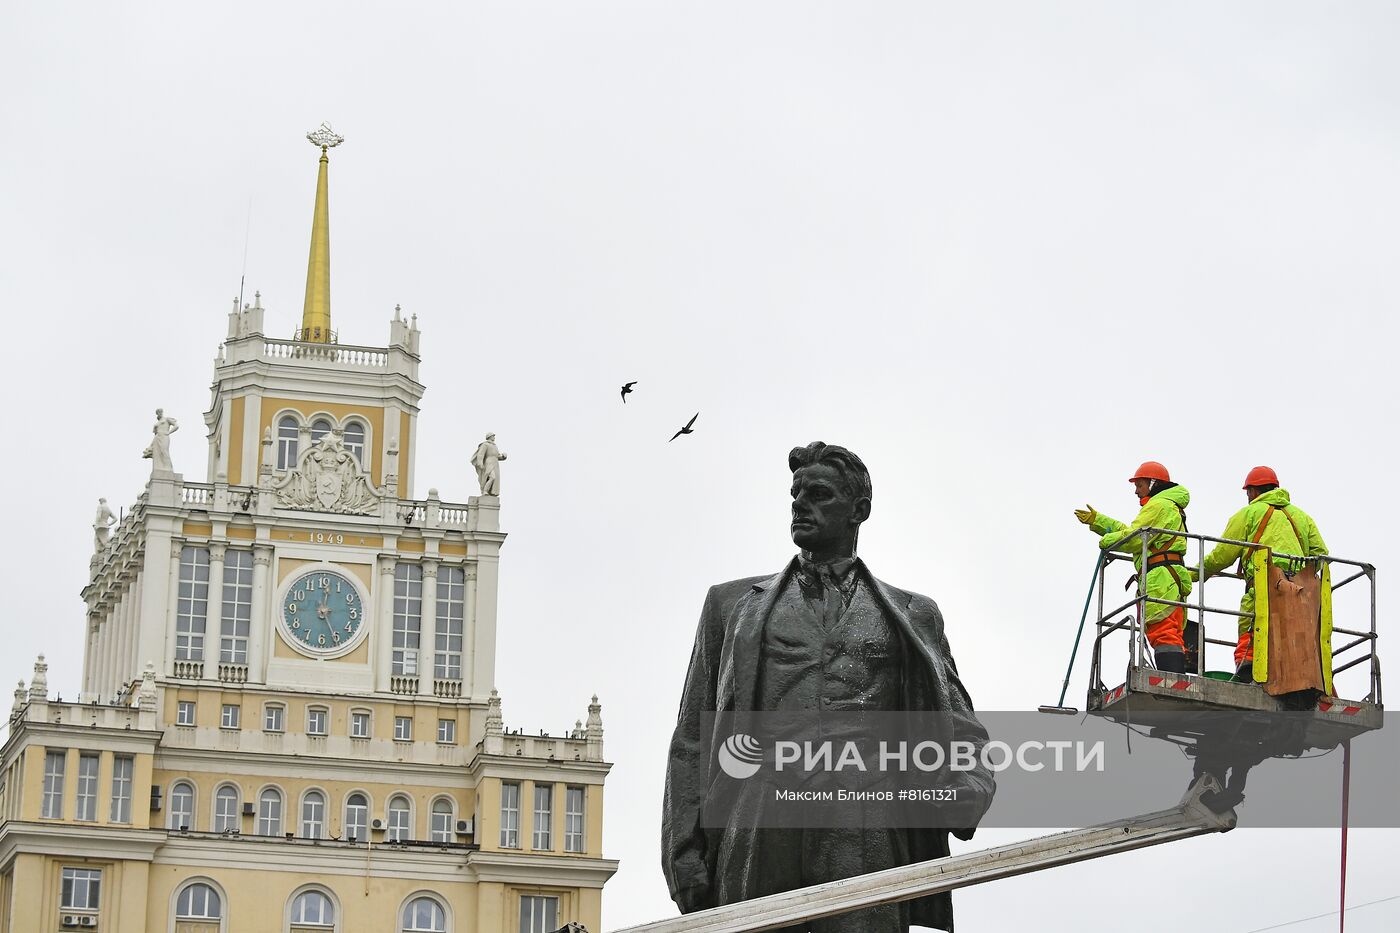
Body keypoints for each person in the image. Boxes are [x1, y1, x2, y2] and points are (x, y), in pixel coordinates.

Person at [663, 442, 993, 933]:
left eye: (818, 494)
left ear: (859, 510)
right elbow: (692, 737)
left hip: (870, 829)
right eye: (795, 494)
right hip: (758, 824)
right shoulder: (730, 607)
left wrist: (966, 791)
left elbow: (963, 730)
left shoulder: (913, 614)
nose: (800, 504)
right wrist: (684, 855)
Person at [1199, 466, 1327, 683]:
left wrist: (1195, 573)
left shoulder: (1249, 513)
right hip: (1297, 592)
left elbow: (1223, 554)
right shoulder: (1301, 517)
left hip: (1262, 588)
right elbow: (1321, 555)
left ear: (1253, 491)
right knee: (1290, 634)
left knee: (1252, 630)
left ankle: (1248, 674)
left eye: (1248, 492)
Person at [1075, 461, 1193, 674]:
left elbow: (1135, 538)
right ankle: (1176, 677)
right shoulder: (1167, 505)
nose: (1136, 491)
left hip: (1161, 578)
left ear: (1153, 483)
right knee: (1171, 630)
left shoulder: (1158, 505)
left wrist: (1106, 542)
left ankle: (1172, 680)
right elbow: (1134, 531)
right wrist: (1098, 521)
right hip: (1170, 578)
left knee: (1163, 631)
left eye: (1139, 485)